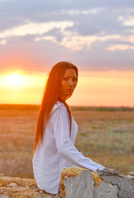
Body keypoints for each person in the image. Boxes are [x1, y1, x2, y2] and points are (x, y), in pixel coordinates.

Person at [32, 61, 105, 194]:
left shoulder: (50, 106)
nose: (71, 84)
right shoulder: (59, 108)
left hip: (44, 178)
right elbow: (64, 147)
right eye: (66, 79)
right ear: (55, 80)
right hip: (55, 181)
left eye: (74, 79)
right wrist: (98, 168)